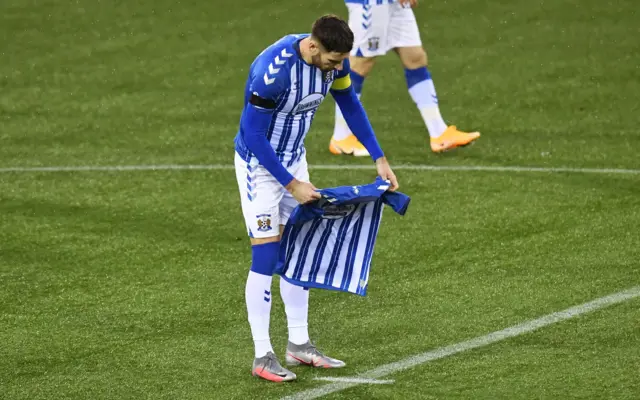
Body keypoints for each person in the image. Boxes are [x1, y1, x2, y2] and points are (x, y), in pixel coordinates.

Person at [233, 14, 399, 382]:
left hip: (294, 159)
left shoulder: (331, 64)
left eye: (341, 60)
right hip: (260, 168)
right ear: (312, 46)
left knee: (301, 244)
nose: (339, 68)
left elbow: (350, 103)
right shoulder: (272, 73)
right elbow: (254, 134)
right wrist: (291, 184)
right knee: (266, 253)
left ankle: (299, 344)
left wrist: (379, 156)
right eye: (333, 60)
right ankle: (263, 354)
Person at [330, 0, 480, 156]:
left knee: (415, 57)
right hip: (371, 5)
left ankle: (439, 133)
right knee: (360, 64)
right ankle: (341, 137)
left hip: (395, 5)